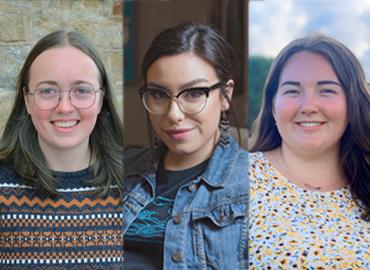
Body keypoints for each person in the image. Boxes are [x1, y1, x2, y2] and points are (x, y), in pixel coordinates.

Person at [123, 22, 248, 269]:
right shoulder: (123, 169)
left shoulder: (254, 184)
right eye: (159, 94)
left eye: (193, 93)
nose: (174, 114)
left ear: (225, 95)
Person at [0, 30, 123, 268]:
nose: (65, 107)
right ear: (27, 99)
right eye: (48, 91)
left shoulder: (133, 187)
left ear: (101, 98)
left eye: (82, 91)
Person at [248, 34, 370, 268]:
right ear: (273, 106)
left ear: (352, 104)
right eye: (292, 91)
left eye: (327, 91)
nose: (308, 106)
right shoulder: (234, 179)